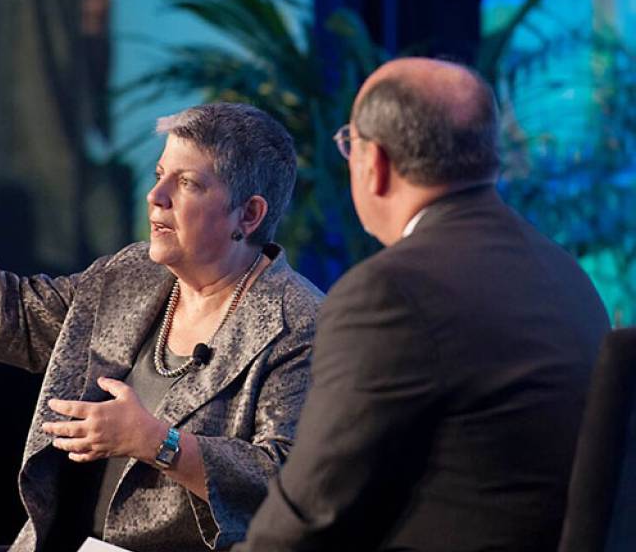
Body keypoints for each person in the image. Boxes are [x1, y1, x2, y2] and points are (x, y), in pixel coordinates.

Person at [0, 88, 323, 552]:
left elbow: (287, 481)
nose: (155, 197)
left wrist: (156, 442)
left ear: (250, 214)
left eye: (188, 183)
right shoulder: (130, 275)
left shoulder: (297, 323)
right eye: (159, 176)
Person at [235, 57, 611, 551]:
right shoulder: (566, 273)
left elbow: (312, 515)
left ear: (377, 164)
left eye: (349, 144)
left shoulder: (390, 293)